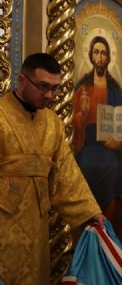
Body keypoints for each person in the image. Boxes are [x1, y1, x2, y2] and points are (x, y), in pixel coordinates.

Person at [0, 53, 105, 285]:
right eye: (43, 87)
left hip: (37, 233)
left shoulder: (52, 123)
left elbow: (66, 176)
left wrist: (90, 212)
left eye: (55, 88)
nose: (49, 95)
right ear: (22, 80)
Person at [73, 35, 122, 228]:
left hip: (109, 147)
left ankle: (107, 228)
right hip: (88, 145)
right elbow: (74, 124)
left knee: (113, 169)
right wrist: (83, 113)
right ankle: (90, 227)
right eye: (96, 52)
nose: (100, 57)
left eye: (103, 53)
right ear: (90, 55)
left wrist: (118, 142)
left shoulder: (115, 88)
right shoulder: (83, 86)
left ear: (108, 57)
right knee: (87, 167)